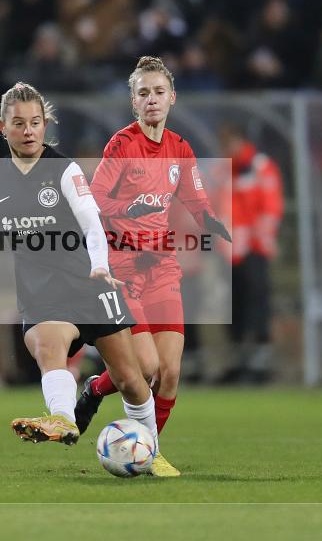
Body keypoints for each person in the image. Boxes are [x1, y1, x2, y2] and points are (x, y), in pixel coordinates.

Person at [0, 82, 162, 458]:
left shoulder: (65, 170)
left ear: (45, 124)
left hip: (90, 284)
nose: (28, 131)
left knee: (133, 380)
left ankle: (151, 450)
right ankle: (63, 419)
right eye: (18, 123)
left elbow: (92, 224)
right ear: (1, 127)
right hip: (43, 293)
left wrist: (101, 265)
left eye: (35, 122)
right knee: (45, 345)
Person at [75, 56, 231, 477]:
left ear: (172, 98)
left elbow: (195, 199)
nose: (151, 100)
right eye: (143, 93)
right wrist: (132, 205)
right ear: (133, 101)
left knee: (171, 373)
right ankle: (117, 415)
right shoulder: (121, 146)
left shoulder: (180, 149)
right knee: (145, 369)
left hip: (161, 265)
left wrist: (211, 222)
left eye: (159, 92)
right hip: (122, 267)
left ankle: (143, 444)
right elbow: (94, 199)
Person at [215, 123, 284, 384]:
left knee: (257, 304)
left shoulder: (260, 166)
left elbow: (270, 207)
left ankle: (259, 365)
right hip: (229, 251)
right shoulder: (224, 171)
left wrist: (260, 240)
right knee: (233, 308)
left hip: (253, 250)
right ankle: (238, 363)